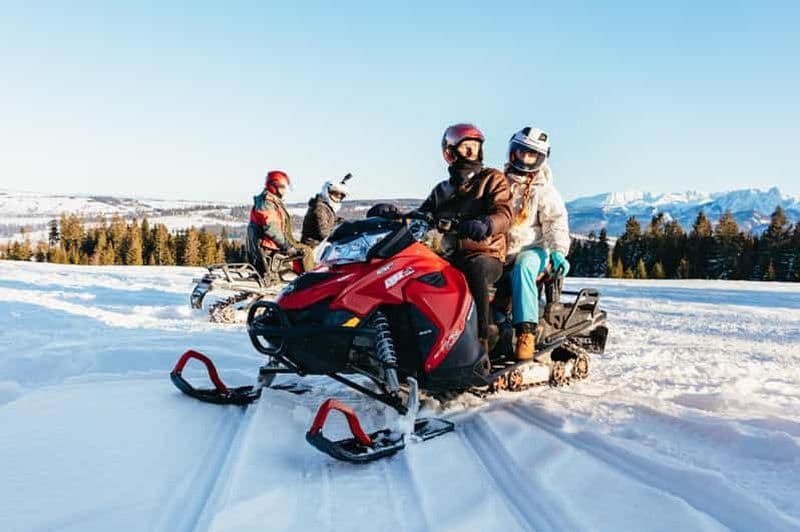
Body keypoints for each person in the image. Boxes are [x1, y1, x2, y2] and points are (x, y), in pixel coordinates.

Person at [418, 123, 513, 352]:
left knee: (475, 269)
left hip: (485, 253)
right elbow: (422, 215)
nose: (472, 152)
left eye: (475, 147)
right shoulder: (442, 189)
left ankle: (481, 342)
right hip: (447, 254)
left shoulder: (493, 179)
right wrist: (394, 214)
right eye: (465, 147)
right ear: (450, 152)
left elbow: (504, 213)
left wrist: (487, 223)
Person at [504, 127, 570, 360]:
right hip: (502, 249)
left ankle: (526, 333)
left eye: (532, 155)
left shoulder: (545, 191)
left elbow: (555, 222)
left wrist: (558, 252)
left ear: (541, 158)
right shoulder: (501, 183)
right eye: (522, 152)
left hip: (534, 250)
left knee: (523, 268)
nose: (525, 158)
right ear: (513, 151)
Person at [246, 170, 315, 275]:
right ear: (273, 186)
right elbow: (271, 228)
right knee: (306, 252)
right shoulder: (267, 202)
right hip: (267, 247)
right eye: (282, 187)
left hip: (271, 244)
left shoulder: (272, 201)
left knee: (306, 248)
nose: (284, 191)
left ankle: (301, 277)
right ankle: (309, 283)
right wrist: (287, 246)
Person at [301, 179, 349, 247]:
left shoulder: (326, 207)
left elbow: (330, 220)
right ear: (327, 192)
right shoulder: (319, 207)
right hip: (313, 247)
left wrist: (345, 223)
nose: (338, 198)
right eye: (335, 194)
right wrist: (343, 233)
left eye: (341, 196)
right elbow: (324, 232)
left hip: (319, 246)